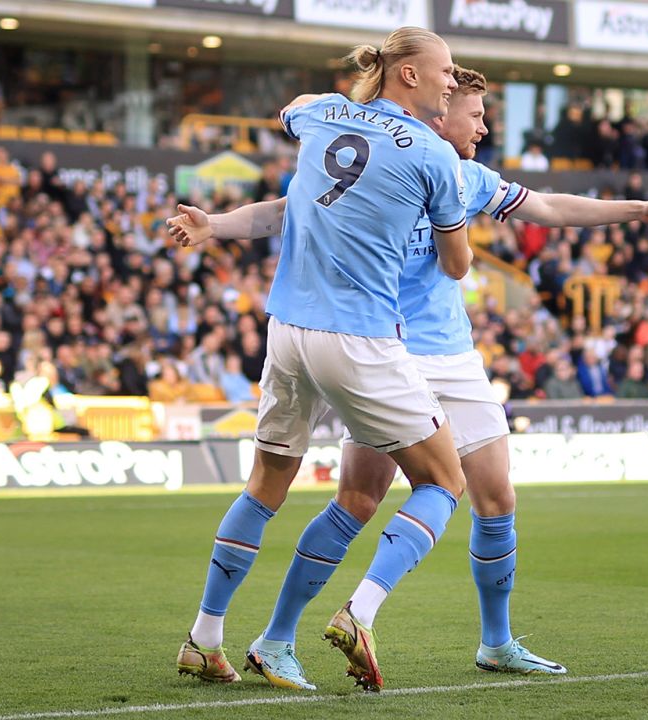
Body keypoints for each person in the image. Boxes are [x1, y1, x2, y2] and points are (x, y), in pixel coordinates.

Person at [168, 64, 648, 690]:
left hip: (444, 355)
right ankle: (283, 635)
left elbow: (549, 205)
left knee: (496, 496)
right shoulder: (413, 162)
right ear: (437, 113)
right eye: (471, 112)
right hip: (385, 352)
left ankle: (495, 642)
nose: (482, 124)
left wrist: (639, 209)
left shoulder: (462, 175)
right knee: (364, 500)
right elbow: (428, 254)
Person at [171, 27, 471, 692]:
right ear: (410, 77)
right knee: (444, 482)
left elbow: (293, 177)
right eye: (444, 70)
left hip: (287, 330)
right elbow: (456, 264)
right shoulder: (432, 152)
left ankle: (205, 638)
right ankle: (359, 611)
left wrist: (215, 224)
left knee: (265, 485)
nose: (452, 81)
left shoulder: (316, 110)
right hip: (359, 338)